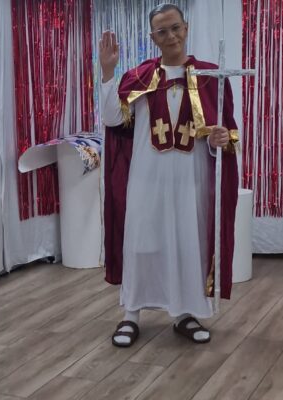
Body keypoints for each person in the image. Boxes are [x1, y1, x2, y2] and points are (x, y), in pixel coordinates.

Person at [99, 3, 239, 347]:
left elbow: (227, 130)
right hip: (146, 177)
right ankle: (131, 314)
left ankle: (184, 313)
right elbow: (113, 120)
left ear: (185, 28)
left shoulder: (210, 76)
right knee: (141, 244)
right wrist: (108, 72)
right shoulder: (138, 77)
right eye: (162, 31)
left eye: (175, 28)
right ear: (153, 38)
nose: (171, 36)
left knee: (189, 244)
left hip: (191, 178)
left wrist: (220, 139)